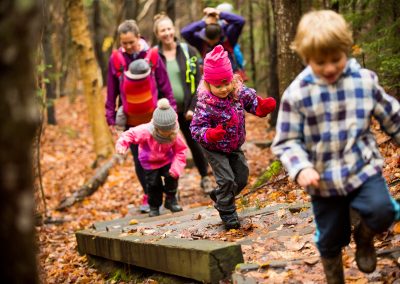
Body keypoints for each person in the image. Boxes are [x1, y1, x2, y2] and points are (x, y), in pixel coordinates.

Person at [271, 10, 400, 284]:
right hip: (323, 179)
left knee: (383, 211)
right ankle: (334, 278)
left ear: (346, 51)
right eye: (320, 62)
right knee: (331, 236)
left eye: (335, 60)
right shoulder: (297, 94)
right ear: (306, 58)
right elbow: (286, 141)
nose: (329, 68)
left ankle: (364, 238)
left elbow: (393, 116)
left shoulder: (363, 81)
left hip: (362, 168)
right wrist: (301, 167)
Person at [190, 45, 276, 230]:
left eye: (226, 83)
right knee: (227, 179)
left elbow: (250, 100)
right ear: (208, 84)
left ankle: (221, 196)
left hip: (234, 144)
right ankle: (228, 214)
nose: (223, 89)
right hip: (214, 147)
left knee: (242, 177)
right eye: (218, 86)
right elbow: (196, 128)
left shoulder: (237, 92)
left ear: (231, 79)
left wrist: (259, 107)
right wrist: (210, 134)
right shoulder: (205, 104)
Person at [105, 19, 176, 213]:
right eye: (124, 43)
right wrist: (110, 117)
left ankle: (169, 195)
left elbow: (165, 85)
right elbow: (112, 91)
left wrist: (173, 108)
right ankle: (149, 195)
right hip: (131, 120)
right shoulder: (116, 60)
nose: (128, 47)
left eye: (131, 42)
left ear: (139, 37)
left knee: (164, 156)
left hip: (155, 119)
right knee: (140, 160)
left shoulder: (151, 56)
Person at [153, 13, 213, 193]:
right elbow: (152, 84)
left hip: (188, 109)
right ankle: (173, 190)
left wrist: (193, 108)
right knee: (168, 149)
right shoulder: (154, 56)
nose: (167, 33)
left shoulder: (188, 51)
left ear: (174, 29)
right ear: (157, 34)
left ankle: (205, 177)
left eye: (169, 29)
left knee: (195, 144)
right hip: (166, 111)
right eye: (162, 30)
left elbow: (200, 81)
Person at [115, 98, 187, 217]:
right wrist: (122, 144)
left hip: (167, 159)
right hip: (149, 162)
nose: (167, 133)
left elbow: (181, 151)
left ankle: (171, 199)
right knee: (153, 185)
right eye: (164, 131)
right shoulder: (146, 131)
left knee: (172, 177)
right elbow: (129, 134)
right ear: (156, 126)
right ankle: (154, 206)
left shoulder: (174, 134)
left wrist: (176, 168)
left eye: (169, 130)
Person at [180, 6, 245, 76]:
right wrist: (204, 22)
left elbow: (240, 21)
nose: (211, 42)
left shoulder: (228, 37)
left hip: (230, 78)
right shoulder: (201, 42)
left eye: (214, 39)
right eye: (209, 39)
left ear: (219, 36)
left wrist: (219, 14)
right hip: (210, 80)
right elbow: (184, 32)